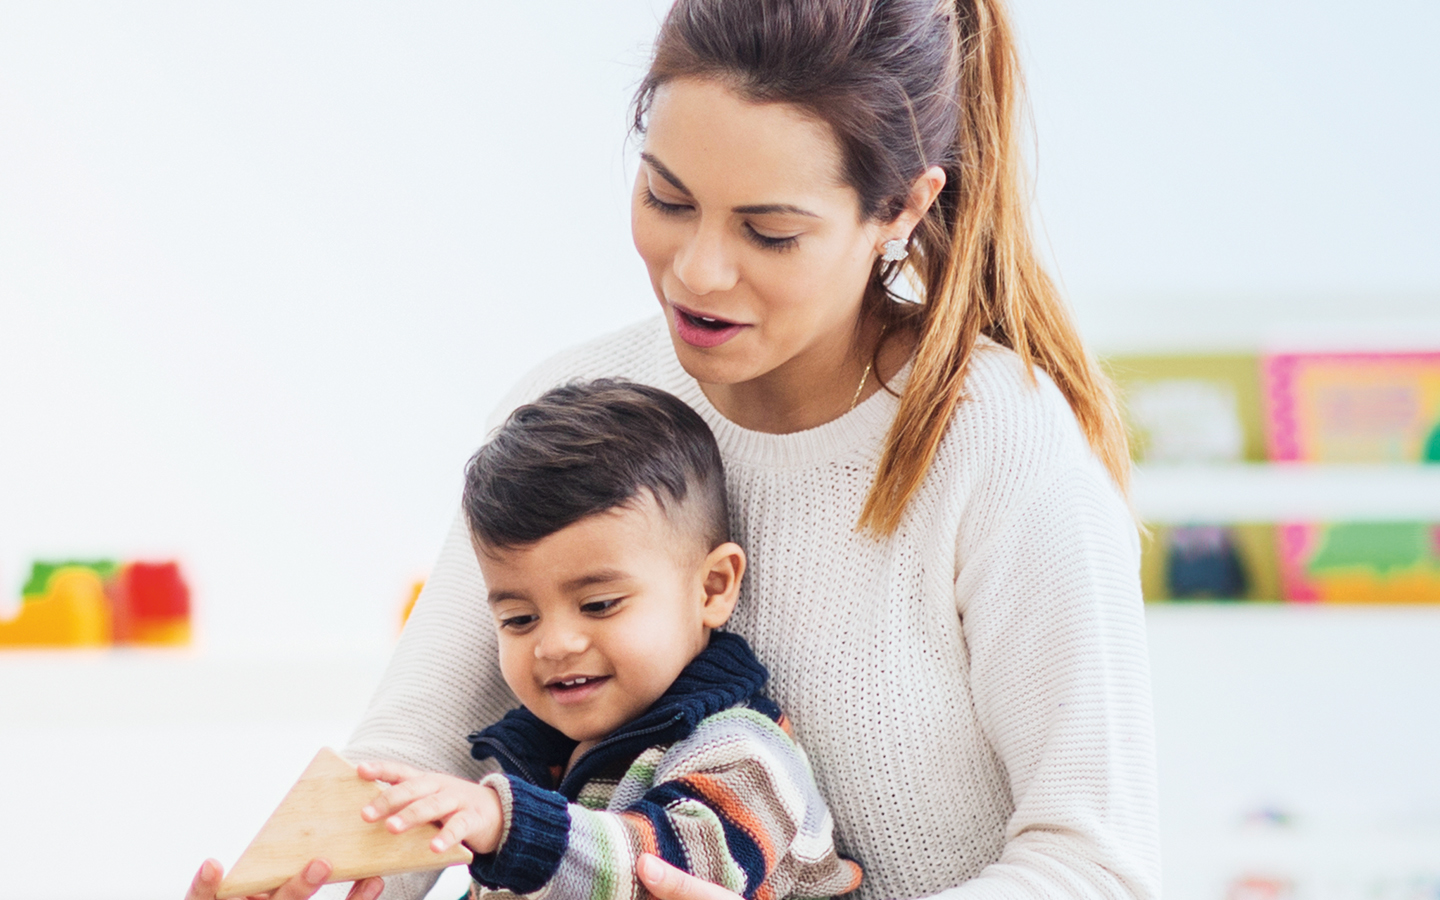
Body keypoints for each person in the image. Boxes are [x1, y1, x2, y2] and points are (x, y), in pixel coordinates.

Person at [187, 1, 1160, 898]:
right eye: (667, 197)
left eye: (770, 232)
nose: (696, 270)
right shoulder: (576, 403)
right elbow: (415, 760)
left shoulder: (1001, 443)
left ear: (900, 211)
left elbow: (1094, 867)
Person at [357, 380, 862, 900]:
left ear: (713, 587)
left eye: (598, 605)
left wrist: (505, 825)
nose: (555, 645)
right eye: (519, 619)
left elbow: (657, 868)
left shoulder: (746, 753)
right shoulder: (541, 763)